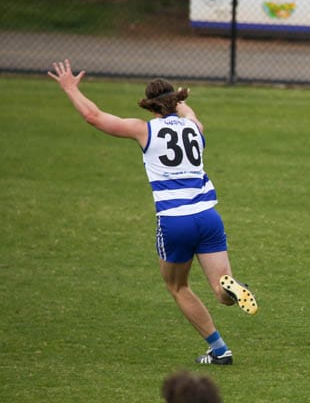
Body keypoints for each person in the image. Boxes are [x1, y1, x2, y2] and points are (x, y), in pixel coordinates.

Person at [48, 59, 258, 365]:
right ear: (176, 102)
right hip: (208, 216)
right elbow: (189, 113)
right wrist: (182, 102)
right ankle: (232, 289)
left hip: (175, 221)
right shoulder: (195, 127)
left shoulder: (144, 130)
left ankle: (220, 350)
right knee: (220, 288)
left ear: (150, 107)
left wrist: (70, 88)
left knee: (178, 286)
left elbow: (94, 116)